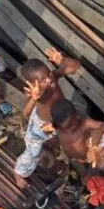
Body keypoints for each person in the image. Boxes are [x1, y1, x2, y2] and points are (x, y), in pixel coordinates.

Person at [13, 47, 82, 188]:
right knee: (33, 151)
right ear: (32, 84)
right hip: (42, 124)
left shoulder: (54, 77)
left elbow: (76, 67)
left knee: (68, 134)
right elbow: (25, 113)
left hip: (61, 119)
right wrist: (34, 98)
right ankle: (19, 171)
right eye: (43, 80)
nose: (49, 80)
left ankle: (69, 149)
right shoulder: (33, 93)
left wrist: (62, 60)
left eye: (48, 73)